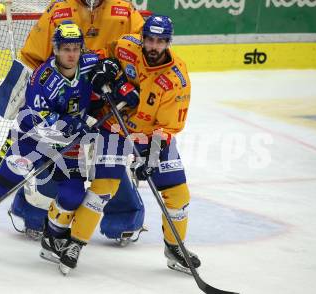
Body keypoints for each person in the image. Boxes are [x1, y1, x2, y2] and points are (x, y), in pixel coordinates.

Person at [51, 15, 202, 275]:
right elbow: (101, 56)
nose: (154, 46)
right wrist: (105, 68)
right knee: (103, 188)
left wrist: (151, 159)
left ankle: (175, 247)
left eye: (160, 41)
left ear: (168, 43)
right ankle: (75, 243)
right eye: (150, 40)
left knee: (178, 194)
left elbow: (168, 128)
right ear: (142, 38)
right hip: (115, 128)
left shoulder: (177, 79)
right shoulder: (126, 45)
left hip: (152, 136)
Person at [0, 23, 98, 253]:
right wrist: (69, 124)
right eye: (66, 48)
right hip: (30, 138)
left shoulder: (90, 64)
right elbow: (36, 118)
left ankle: (54, 237)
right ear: (56, 49)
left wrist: (115, 79)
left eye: (75, 48)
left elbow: (111, 68)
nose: (71, 54)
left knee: (73, 193)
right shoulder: (42, 78)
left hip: (68, 145)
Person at [9, 0, 147, 244]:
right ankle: (35, 212)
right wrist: (34, 100)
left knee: (109, 161)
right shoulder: (58, 9)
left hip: (108, 99)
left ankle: (124, 217)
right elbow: (33, 56)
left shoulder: (125, 10)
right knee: (53, 157)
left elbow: (142, 55)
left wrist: (123, 84)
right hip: (63, 100)